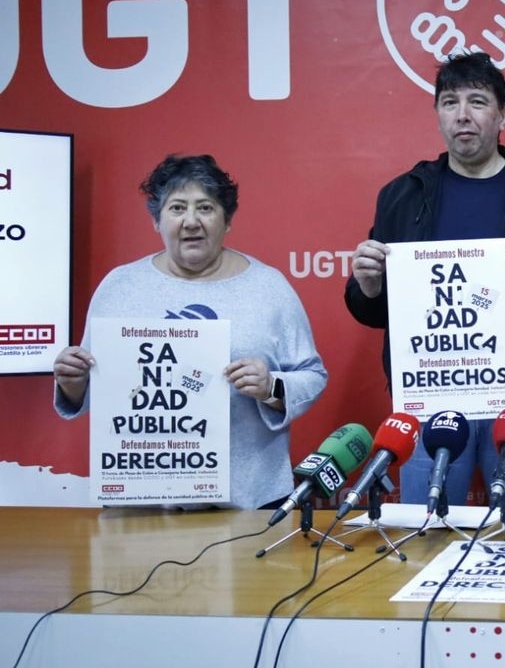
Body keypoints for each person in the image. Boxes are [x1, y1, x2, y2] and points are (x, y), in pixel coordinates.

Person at [344, 51, 505, 512]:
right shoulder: (402, 194)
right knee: (423, 541)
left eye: (477, 102)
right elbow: (371, 309)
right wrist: (369, 284)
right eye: (449, 102)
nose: (462, 115)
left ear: (503, 115)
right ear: (437, 113)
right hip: (431, 404)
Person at [52, 154, 328, 510]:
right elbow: (91, 383)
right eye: (177, 208)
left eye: (206, 208)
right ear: (157, 220)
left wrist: (271, 386)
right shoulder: (119, 286)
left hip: (247, 501)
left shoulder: (269, 287)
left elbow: (312, 376)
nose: (191, 221)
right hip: (141, 504)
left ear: (227, 220)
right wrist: (72, 383)